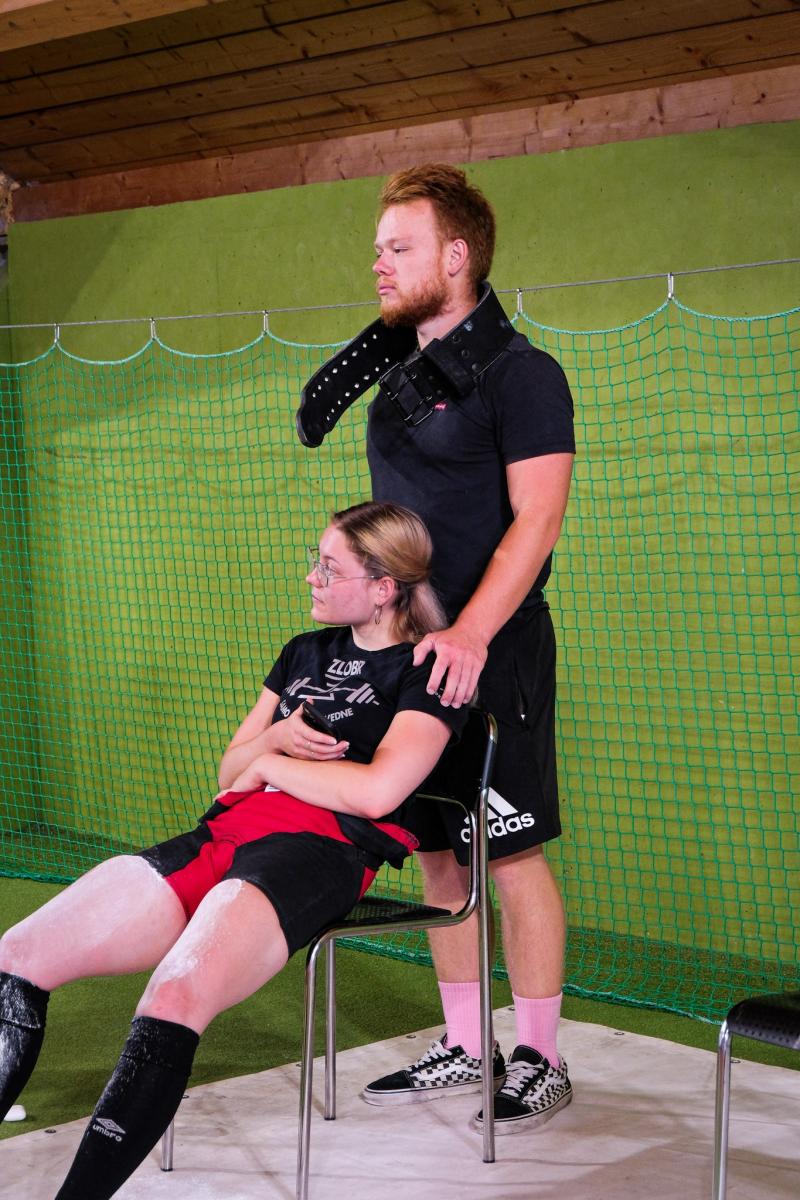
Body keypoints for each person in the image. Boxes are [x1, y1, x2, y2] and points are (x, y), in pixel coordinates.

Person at [0, 501, 467, 1199]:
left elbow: (378, 793)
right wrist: (272, 744)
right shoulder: (304, 652)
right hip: (225, 834)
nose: (311, 578)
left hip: (318, 853)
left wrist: (270, 763)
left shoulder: (425, 669)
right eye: (315, 562)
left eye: (328, 567)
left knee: (176, 994)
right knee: (18, 954)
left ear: (382, 587)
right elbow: (229, 770)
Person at [297, 164, 575, 1133]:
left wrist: (471, 631)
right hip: (410, 653)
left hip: (493, 648)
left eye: (399, 247)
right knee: (436, 852)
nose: (378, 263)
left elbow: (537, 518)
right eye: (377, 248)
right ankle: (465, 1044)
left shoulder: (523, 376)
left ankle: (540, 1058)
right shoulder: (400, 382)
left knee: (509, 852)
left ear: (456, 257)